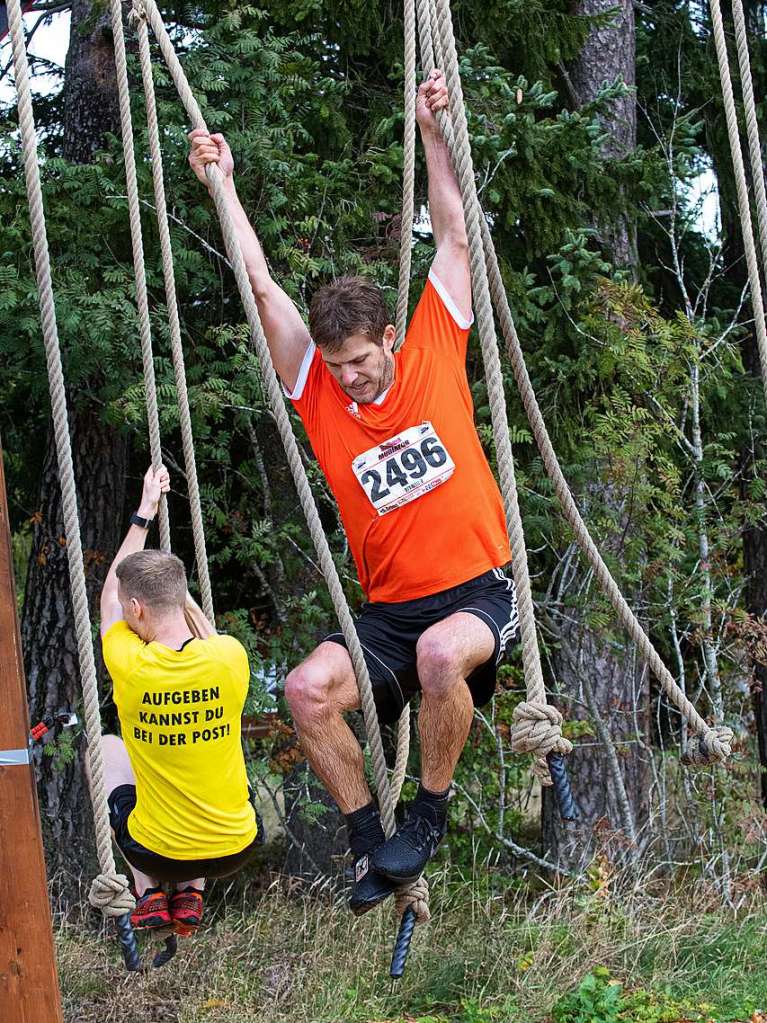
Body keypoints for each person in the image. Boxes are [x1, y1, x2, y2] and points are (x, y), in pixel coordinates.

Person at [188, 68, 518, 915]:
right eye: (337, 367)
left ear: (388, 338)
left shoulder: (437, 346)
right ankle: (370, 840)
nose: (353, 378)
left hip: (476, 595)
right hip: (388, 612)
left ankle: (428, 814)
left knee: (443, 655)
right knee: (302, 689)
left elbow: (450, 235)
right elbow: (260, 288)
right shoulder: (321, 395)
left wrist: (436, 133)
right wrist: (221, 186)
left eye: (362, 361)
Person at [96, 465, 258, 935]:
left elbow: (110, 597)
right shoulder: (229, 657)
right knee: (202, 762)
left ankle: (149, 892)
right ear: (185, 598)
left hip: (157, 853)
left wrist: (144, 513)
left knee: (108, 749)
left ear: (136, 610)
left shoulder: (130, 665)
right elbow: (200, 629)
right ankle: (191, 892)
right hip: (237, 846)